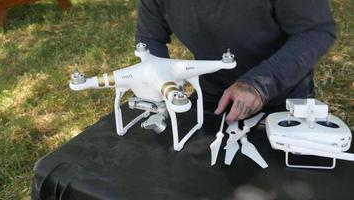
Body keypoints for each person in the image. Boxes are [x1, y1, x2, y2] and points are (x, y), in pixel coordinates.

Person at [135, 0, 336, 122]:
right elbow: (150, 38)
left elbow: (316, 31)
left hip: (283, 97)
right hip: (212, 95)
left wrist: (259, 84)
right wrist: (160, 83)